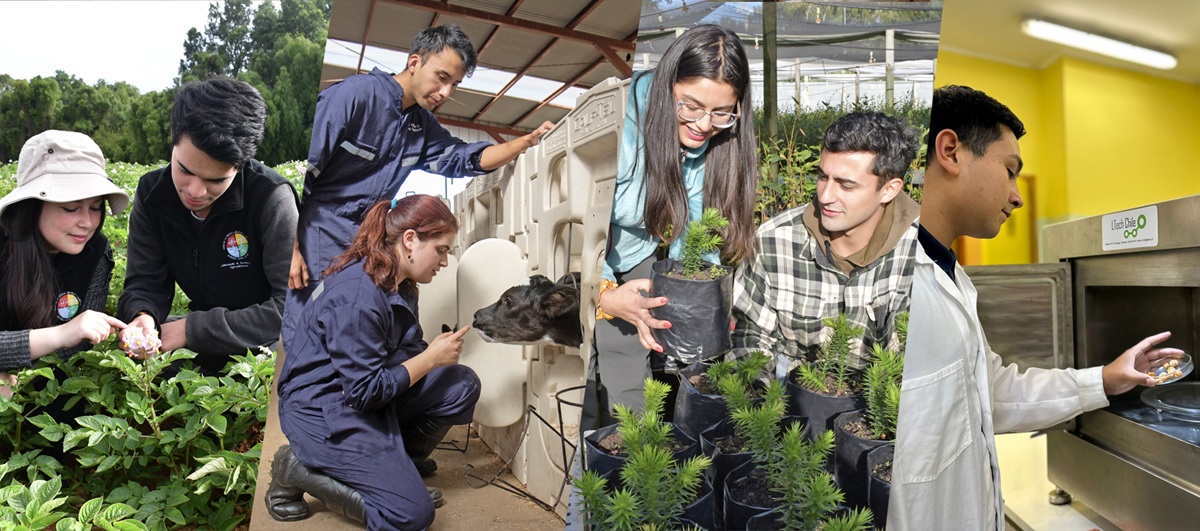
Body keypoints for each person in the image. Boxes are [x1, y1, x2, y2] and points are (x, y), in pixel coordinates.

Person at [889, 84, 1185, 530]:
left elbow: (990, 395)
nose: (1018, 195)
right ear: (950, 151)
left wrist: (1107, 377)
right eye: (1009, 171)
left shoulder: (948, 275)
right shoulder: (888, 287)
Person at [284, 24, 553, 348]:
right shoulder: (353, 97)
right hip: (318, 227)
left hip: (369, 231)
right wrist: (290, 245)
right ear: (415, 63)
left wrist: (523, 142)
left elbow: (463, 158)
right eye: (441, 77)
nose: (445, 92)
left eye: (454, 84)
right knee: (313, 324)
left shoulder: (421, 126)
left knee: (368, 316)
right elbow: (297, 168)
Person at [266, 195, 479, 530]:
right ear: (410, 240)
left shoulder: (401, 284)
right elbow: (365, 392)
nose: (445, 261)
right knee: (412, 515)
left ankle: (395, 467)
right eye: (441, 249)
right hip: (323, 411)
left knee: (460, 384)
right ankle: (298, 469)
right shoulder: (358, 296)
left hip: (359, 394)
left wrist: (430, 357)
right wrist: (429, 359)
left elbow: (407, 347)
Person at [588, 24, 759, 424]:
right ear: (667, 85)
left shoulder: (713, 138)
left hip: (635, 246)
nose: (704, 124)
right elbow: (580, 230)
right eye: (692, 106)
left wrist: (701, 294)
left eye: (721, 112)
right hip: (586, 252)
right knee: (619, 343)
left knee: (653, 320)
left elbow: (696, 220)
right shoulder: (621, 128)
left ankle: (650, 443)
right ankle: (623, 440)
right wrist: (606, 294)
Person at [116, 77, 299, 374]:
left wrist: (192, 329)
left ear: (240, 165)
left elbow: (291, 310)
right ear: (173, 143)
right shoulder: (153, 195)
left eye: (216, 180)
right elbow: (144, 281)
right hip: (205, 336)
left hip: (264, 345)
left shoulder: (271, 200)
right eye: (184, 170)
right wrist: (142, 316)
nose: (196, 192)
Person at [731, 111, 922, 378]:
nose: (825, 195)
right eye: (823, 177)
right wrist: (763, 401)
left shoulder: (922, 255)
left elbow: (918, 366)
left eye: (846, 185)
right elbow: (749, 335)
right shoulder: (774, 241)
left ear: (889, 189)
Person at [0, 130, 130, 398]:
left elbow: (79, 346)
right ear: (32, 205)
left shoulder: (95, 251)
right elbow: (70, 335)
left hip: (52, 392)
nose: (88, 222)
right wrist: (60, 334)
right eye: (71, 208)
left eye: (95, 207)